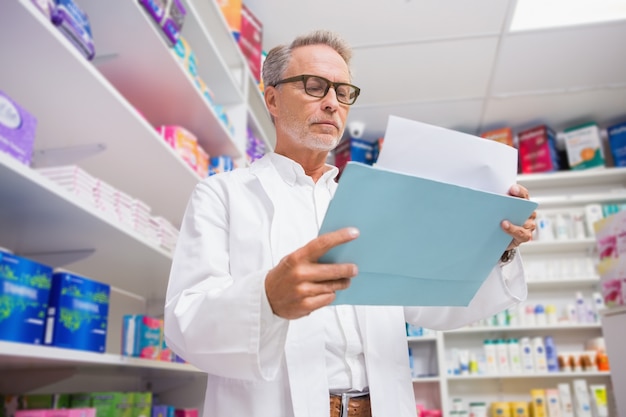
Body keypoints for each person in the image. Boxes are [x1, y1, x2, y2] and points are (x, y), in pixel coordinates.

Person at [164, 29, 536, 417]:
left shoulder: (373, 202)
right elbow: (184, 323)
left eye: (343, 93)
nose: (332, 103)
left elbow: (433, 303)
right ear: (272, 98)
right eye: (314, 87)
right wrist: (267, 299)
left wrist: (496, 246)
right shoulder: (224, 195)